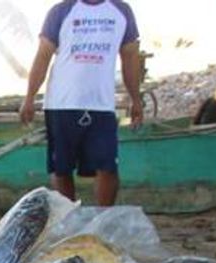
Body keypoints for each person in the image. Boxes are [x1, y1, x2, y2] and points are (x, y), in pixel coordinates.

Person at [19, 0, 144, 206]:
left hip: (101, 105)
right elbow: (43, 56)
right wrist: (30, 97)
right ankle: (69, 221)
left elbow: (130, 57)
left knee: (107, 167)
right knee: (62, 169)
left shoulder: (121, 12)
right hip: (62, 103)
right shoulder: (60, 12)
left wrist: (135, 99)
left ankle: (103, 219)